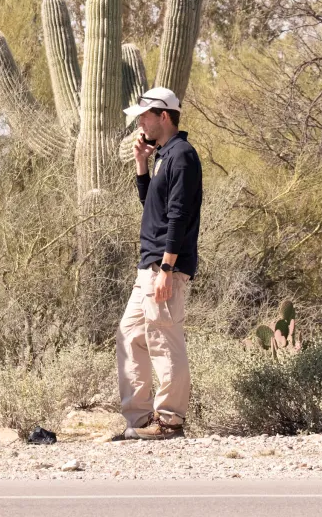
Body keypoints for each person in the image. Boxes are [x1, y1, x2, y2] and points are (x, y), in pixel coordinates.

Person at [116, 87, 203, 440]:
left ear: (163, 116)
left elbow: (179, 216)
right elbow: (152, 206)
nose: (140, 122)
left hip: (163, 266)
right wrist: (141, 164)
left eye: (144, 115)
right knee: (130, 335)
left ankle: (169, 421)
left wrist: (167, 268)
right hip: (148, 265)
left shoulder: (181, 155)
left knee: (164, 337)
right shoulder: (164, 155)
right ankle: (139, 421)